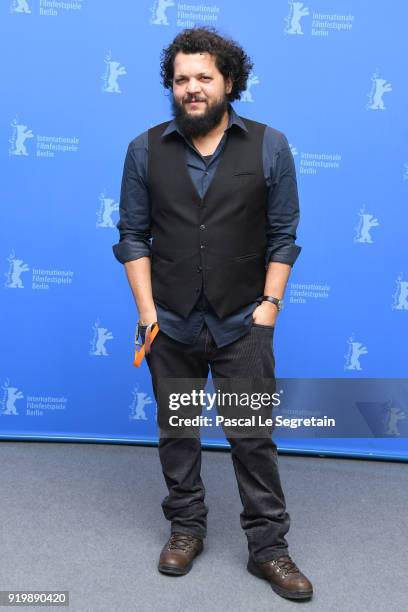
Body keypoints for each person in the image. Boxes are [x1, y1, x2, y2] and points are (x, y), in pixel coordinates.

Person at [112, 27, 313, 601]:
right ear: (171, 87)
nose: (192, 89)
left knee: (252, 438)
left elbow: (283, 235)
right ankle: (185, 529)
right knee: (178, 431)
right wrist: (148, 315)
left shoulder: (270, 145)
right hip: (169, 323)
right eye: (181, 80)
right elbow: (132, 237)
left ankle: (269, 549)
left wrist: (269, 307)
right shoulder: (144, 149)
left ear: (229, 82)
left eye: (204, 77)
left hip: (243, 324)